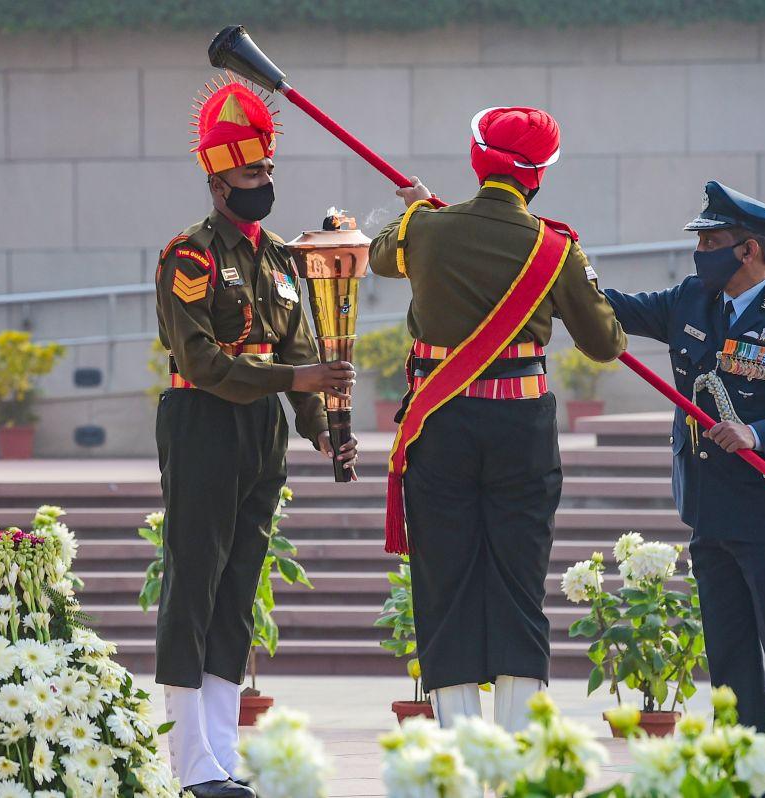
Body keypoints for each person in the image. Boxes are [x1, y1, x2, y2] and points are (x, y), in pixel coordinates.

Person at [368, 106, 626, 731]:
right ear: (538, 176)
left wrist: (424, 211)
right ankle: (513, 752)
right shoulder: (555, 247)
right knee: (518, 583)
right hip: (520, 434)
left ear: (477, 161)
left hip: (441, 427)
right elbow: (605, 344)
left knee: (446, 583)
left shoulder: (424, 231)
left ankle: (461, 751)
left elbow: (380, 257)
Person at [154, 75, 359, 798]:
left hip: (259, 428)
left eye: (269, 170)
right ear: (217, 183)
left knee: (238, 588)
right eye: (250, 172)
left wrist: (324, 431)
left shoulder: (277, 257)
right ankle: (190, 763)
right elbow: (203, 362)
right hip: (202, 420)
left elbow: (301, 355)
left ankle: (220, 757)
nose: (263, 182)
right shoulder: (189, 256)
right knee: (195, 582)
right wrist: (296, 386)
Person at [603, 181, 765, 793]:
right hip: (709, 518)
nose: (698, 251)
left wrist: (762, 434)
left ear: (749, 252)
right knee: (733, 671)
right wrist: (555, 267)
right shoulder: (691, 300)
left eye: (711, 241)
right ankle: (746, 778)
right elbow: (618, 309)